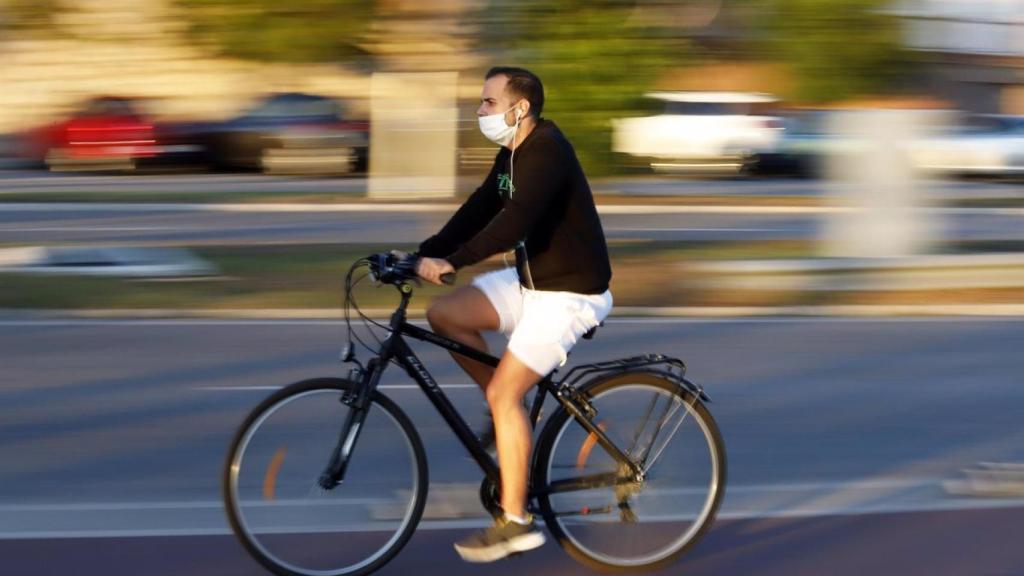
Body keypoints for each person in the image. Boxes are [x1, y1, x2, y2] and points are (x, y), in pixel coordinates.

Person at [415, 66, 613, 563]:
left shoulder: (546, 150)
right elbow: (481, 208)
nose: (479, 111)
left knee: (506, 390)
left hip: (570, 293)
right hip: (532, 282)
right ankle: (508, 417)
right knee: (446, 316)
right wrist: (419, 253)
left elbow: (514, 222)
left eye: (487, 102)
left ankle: (516, 523)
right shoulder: (511, 153)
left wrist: (454, 261)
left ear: (518, 108)